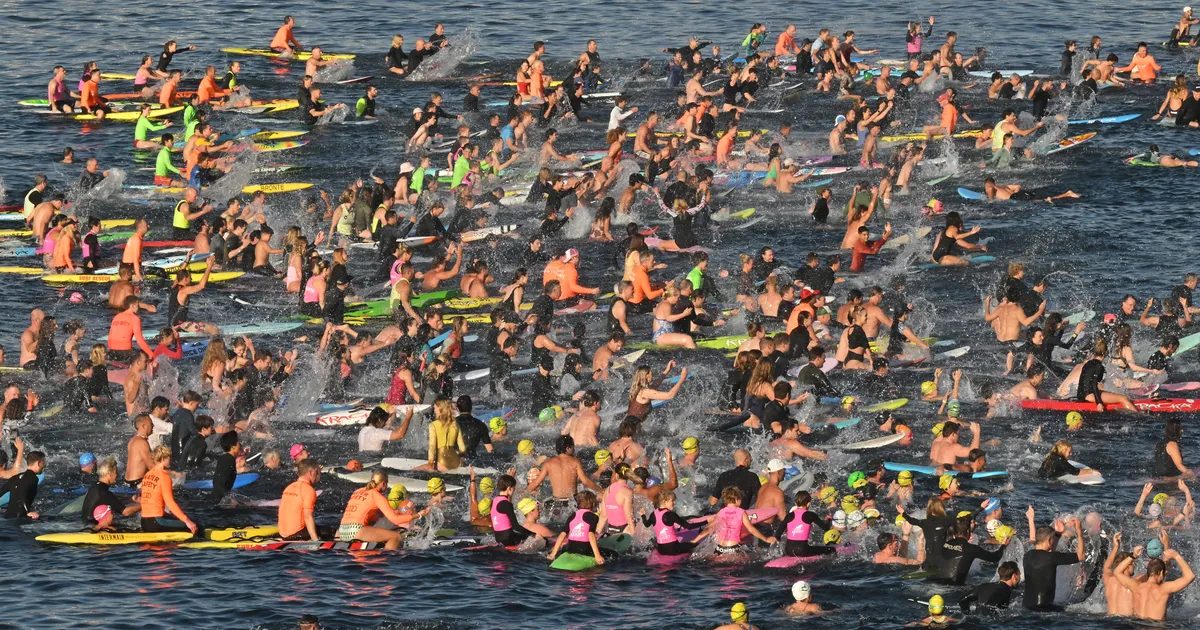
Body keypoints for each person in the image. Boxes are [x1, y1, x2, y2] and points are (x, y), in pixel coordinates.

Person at [1113, 539, 1195, 621]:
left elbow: (1117, 572)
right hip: (1155, 626)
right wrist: (1176, 556)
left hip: (1136, 625)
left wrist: (1133, 556)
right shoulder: (1163, 589)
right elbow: (1190, 576)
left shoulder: (1136, 586)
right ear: (1161, 573)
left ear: (1148, 572)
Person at [1022, 508, 1086, 610]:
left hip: (1026, 606)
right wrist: (1080, 533)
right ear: (1049, 541)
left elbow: (1048, 551)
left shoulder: (1027, 555)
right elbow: (1081, 556)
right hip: (1045, 609)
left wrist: (1057, 534)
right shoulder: (1052, 558)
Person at [338, 470, 417, 549]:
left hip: (341, 531)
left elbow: (371, 515)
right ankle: (388, 555)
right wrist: (418, 515)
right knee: (396, 537)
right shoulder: (376, 495)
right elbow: (395, 519)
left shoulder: (357, 491)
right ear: (383, 483)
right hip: (356, 531)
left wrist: (394, 512)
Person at [139, 446, 197, 533]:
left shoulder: (147, 475)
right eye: (170, 457)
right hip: (157, 523)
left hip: (144, 522)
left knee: (178, 519)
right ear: (163, 458)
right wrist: (187, 521)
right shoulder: (164, 477)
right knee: (194, 525)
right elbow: (170, 503)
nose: (171, 460)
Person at [279, 459, 323, 541]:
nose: (318, 476)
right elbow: (308, 517)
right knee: (333, 532)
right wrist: (315, 540)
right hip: (296, 535)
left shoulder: (289, 487)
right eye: (317, 472)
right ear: (311, 473)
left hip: (283, 534)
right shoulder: (308, 490)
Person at [0, 451, 44, 519]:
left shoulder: (14, 478)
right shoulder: (33, 478)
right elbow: (22, 490)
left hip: (7, 516)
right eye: (43, 463)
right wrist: (27, 512)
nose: (44, 466)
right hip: (20, 518)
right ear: (39, 463)